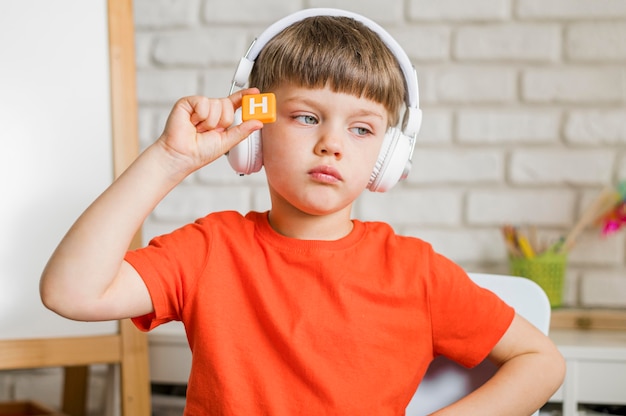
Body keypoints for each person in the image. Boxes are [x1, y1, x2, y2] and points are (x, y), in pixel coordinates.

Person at [40, 8, 565, 416]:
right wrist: (169, 160)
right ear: (255, 131)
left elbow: (542, 362)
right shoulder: (209, 250)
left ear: (387, 157)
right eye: (305, 116)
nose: (332, 143)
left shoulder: (415, 272)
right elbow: (71, 293)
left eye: (362, 129)